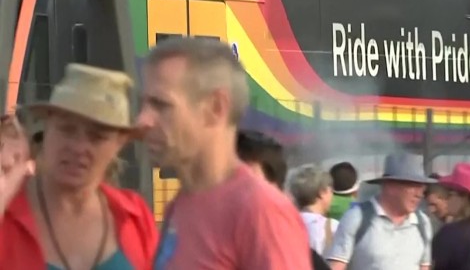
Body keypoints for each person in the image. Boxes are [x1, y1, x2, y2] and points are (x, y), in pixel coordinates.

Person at [135, 36, 310, 269]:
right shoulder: (179, 206)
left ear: (216, 108)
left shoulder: (261, 211)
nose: (143, 121)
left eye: (161, 105)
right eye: (144, 104)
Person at [0, 63, 159, 269]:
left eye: (97, 137)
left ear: (119, 144)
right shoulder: (7, 207)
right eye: (67, 129)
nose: (78, 147)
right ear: (47, 128)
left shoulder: (134, 215)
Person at [325, 152, 435, 270]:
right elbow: (336, 267)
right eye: (413, 186)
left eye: (422, 188)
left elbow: (424, 267)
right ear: (391, 186)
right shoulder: (357, 218)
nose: (419, 194)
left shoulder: (423, 223)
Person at [288, 164, 340, 254]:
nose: (332, 196)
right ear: (322, 193)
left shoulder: (285, 225)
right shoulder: (333, 227)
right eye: (330, 191)